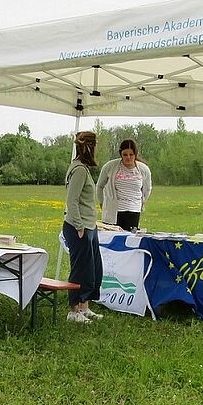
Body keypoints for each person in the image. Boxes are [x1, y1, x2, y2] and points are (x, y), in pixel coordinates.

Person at [63, 131, 104, 323]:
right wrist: (79, 226)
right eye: (95, 145)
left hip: (89, 225)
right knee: (80, 269)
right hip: (79, 227)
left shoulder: (83, 168)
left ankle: (85, 307)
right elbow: (72, 201)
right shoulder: (79, 170)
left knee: (92, 268)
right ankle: (74, 311)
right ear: (90, 147)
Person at [96, 139, 152, 231]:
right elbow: (99, 186)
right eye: (125, 155)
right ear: (121, 154)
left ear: (135, 154)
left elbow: (147, 189)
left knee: (130, 239)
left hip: (134, 211)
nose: (128, 157)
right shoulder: (110, 166)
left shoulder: (143, 169)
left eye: (131, 154)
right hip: (114, 211)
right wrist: (102, 202)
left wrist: (141, 202)